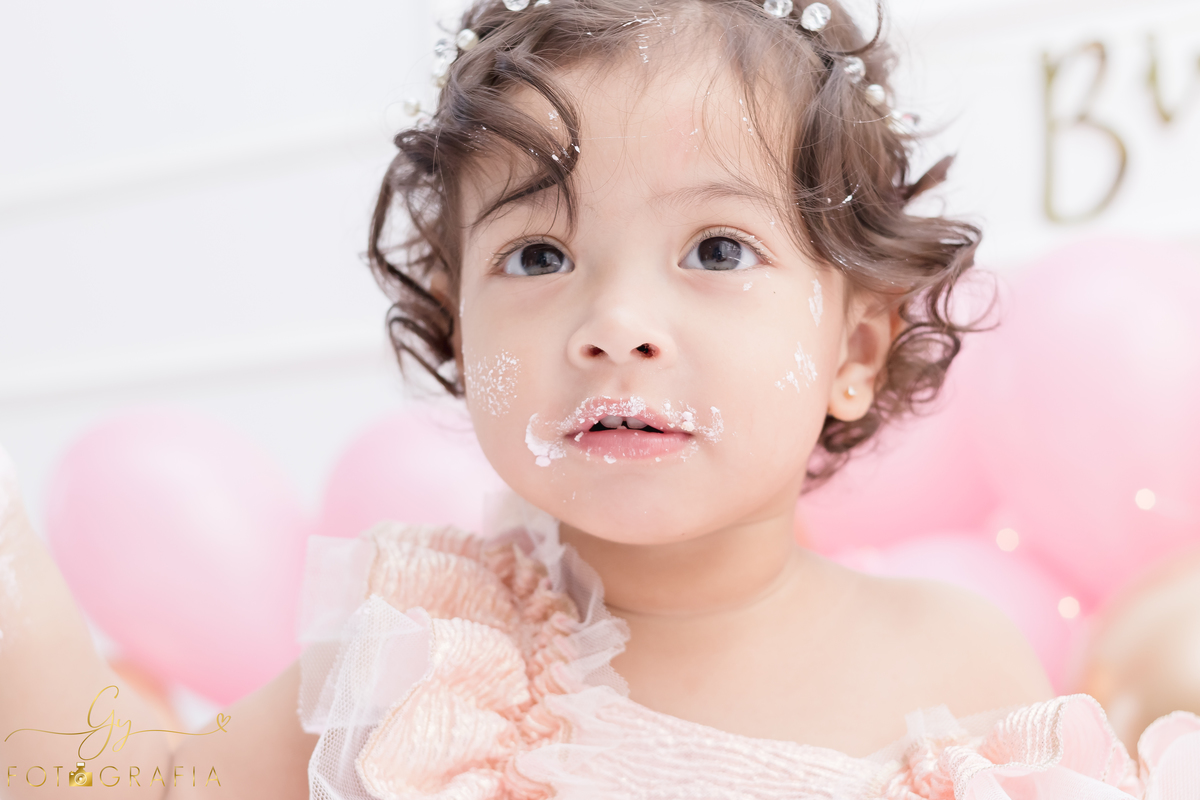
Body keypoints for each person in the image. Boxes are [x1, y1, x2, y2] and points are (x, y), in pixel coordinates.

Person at [2, 0, 1197, 798]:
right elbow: (149, 784)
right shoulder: (429, 654)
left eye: (716, 249)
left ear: (855, 347)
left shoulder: (953, 660)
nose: (615, 321)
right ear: (458, 326)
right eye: (538, 255)